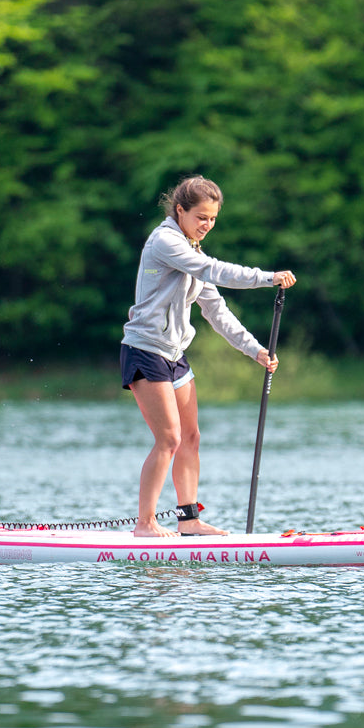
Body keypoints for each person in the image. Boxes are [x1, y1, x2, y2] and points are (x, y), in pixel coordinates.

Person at [121, 175, 297, 537]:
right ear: (180, 211)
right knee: (168, 438)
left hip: (175, 354)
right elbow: (212, 270)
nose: (207, 225)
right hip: (146, 350)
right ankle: (145, 524)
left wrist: (256, 350)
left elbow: (217, 312)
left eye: (213, 219)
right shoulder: (166, 242)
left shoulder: (193, 251)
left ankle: (188, 520)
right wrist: (267, 278)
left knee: (191, 438)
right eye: (201, 217)